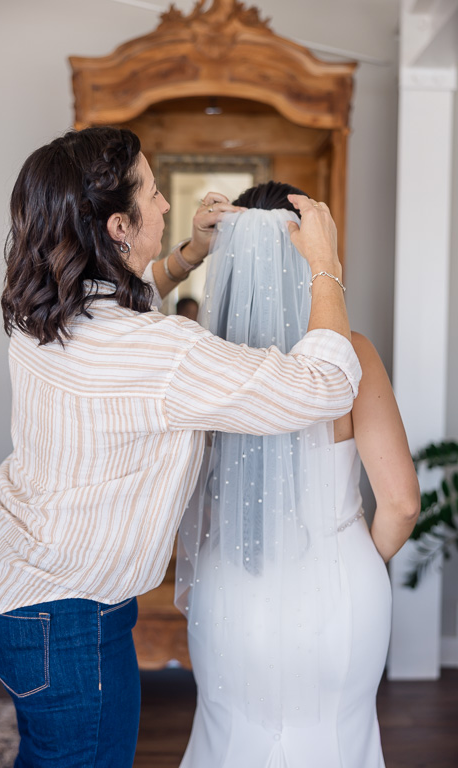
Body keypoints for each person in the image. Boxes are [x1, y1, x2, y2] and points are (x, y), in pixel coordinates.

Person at [0, 129, 361, 768]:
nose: (168, 205)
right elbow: (325, 387)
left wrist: (190, 255)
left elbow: (135, 289)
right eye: (152, 192)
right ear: (119, 224)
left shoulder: (43, 308)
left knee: (55, 752)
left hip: (22, 585)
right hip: (65, 615)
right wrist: (325, 265)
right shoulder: (158, 352)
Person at [176, 182, 420, 768]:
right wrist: (350, 555)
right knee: (337, 739)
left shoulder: (202, 355)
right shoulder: (352, 353)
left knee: (230, 735)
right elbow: (403, 505)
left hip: (232, 583)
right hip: (339, 590)